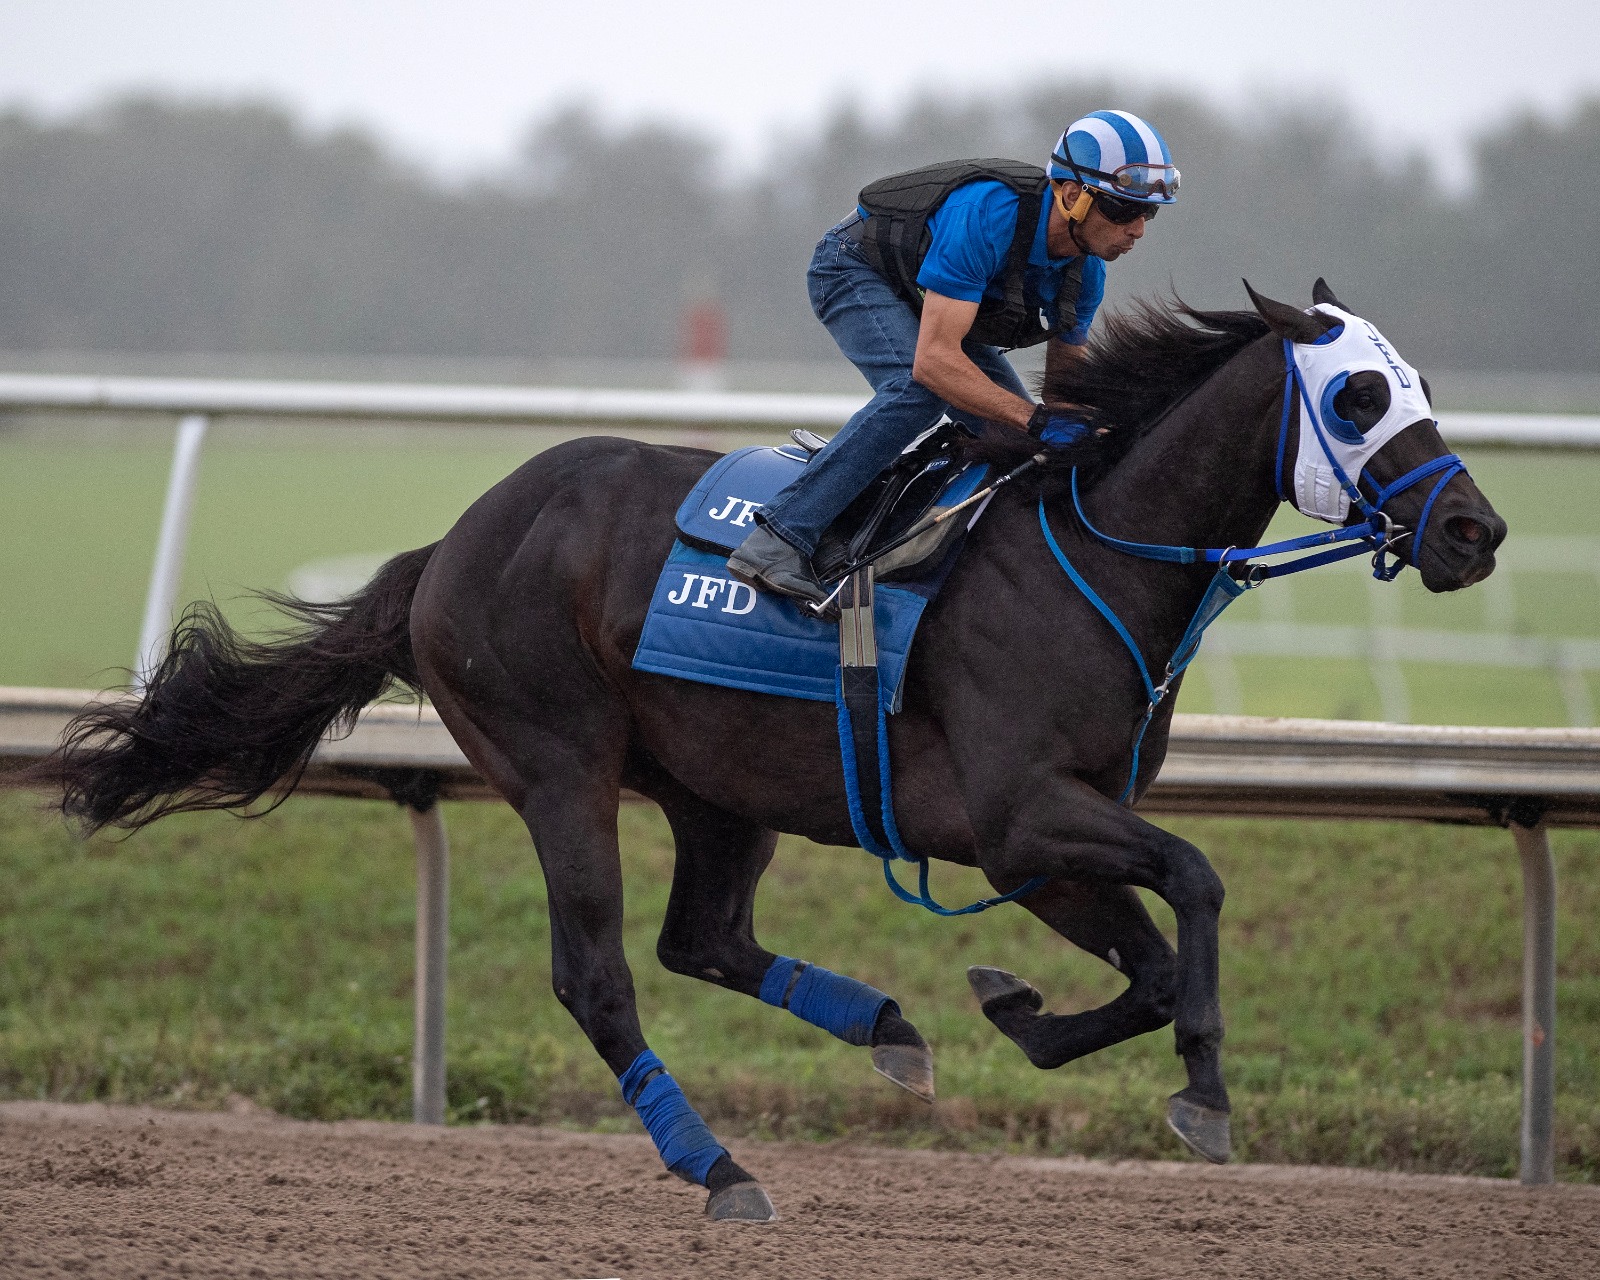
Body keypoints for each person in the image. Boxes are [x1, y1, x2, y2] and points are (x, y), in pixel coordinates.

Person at [727, 110, 1180, 607]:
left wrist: (1107, 432)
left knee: (1014, 443)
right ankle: (780, 536)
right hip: (855, 269)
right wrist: (1034, 418)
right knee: (919, 389)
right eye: (1121, 210)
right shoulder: (989, 213)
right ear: (1070, 194)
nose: (1137, 229)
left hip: (933, 304)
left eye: (1149, 214)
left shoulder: (1086, 274)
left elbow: (1062, 398)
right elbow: (934, 365)